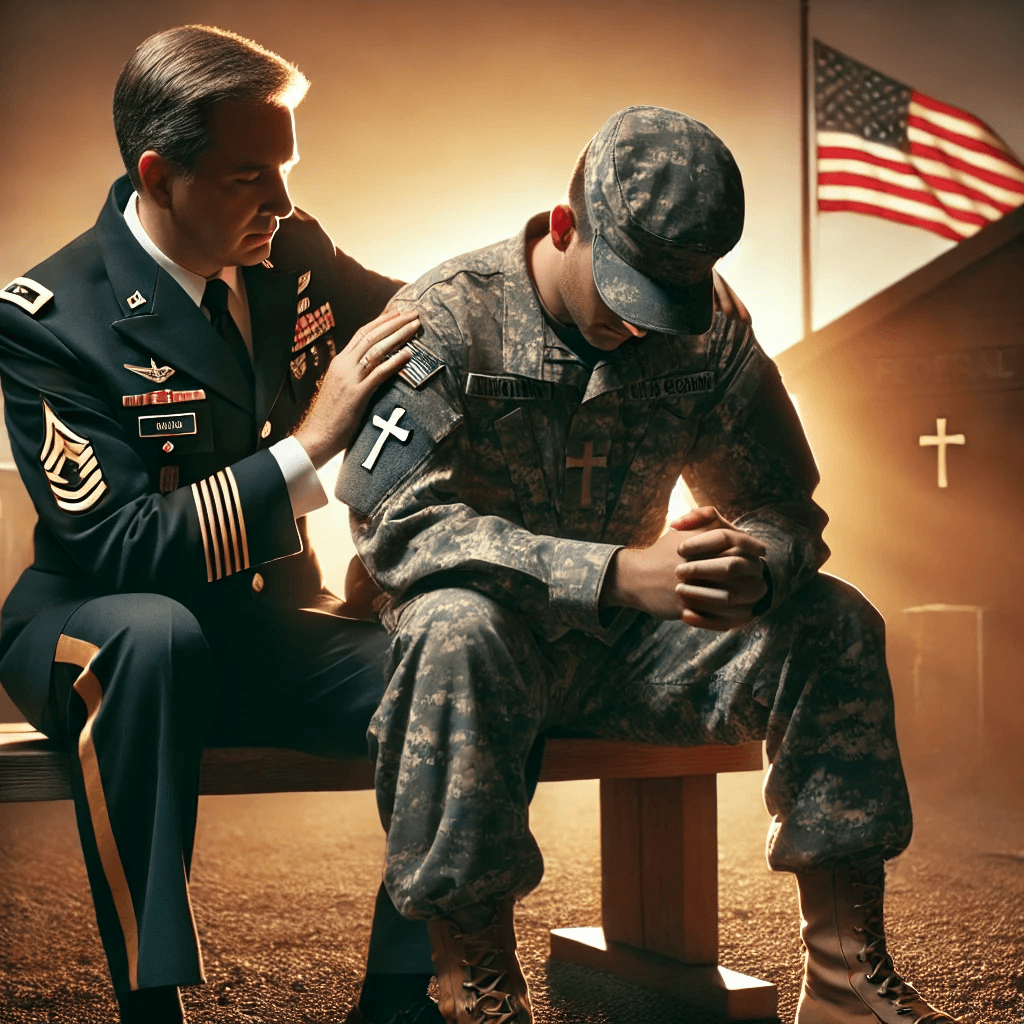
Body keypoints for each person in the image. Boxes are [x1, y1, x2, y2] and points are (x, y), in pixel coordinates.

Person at [335, 106, 958, 1024]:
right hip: (481, 658)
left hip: (632, 654)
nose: (641, 325)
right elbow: (396, 527)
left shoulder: (710, 328)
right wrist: (616, 575)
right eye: (625, 290)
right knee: (455, 625)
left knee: (834, 619)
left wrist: (754, 567)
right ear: (565, 225)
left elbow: (783, 507)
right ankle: (478, 987)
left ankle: (844, 984)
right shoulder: (445, 319)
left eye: (669, 298)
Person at [0, 25, 443, 1024]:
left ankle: (405, 991)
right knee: (155, 635)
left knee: (458, 656)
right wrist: (314, 441)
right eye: (252, 177)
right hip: (94, 630)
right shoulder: (47, 318)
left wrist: (561, 277)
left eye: (287, 170)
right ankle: (151, 1002)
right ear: (159, 176)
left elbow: (421, 320)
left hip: (257, 625)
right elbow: (120, 547)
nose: (282, 202)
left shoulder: (290, 248)